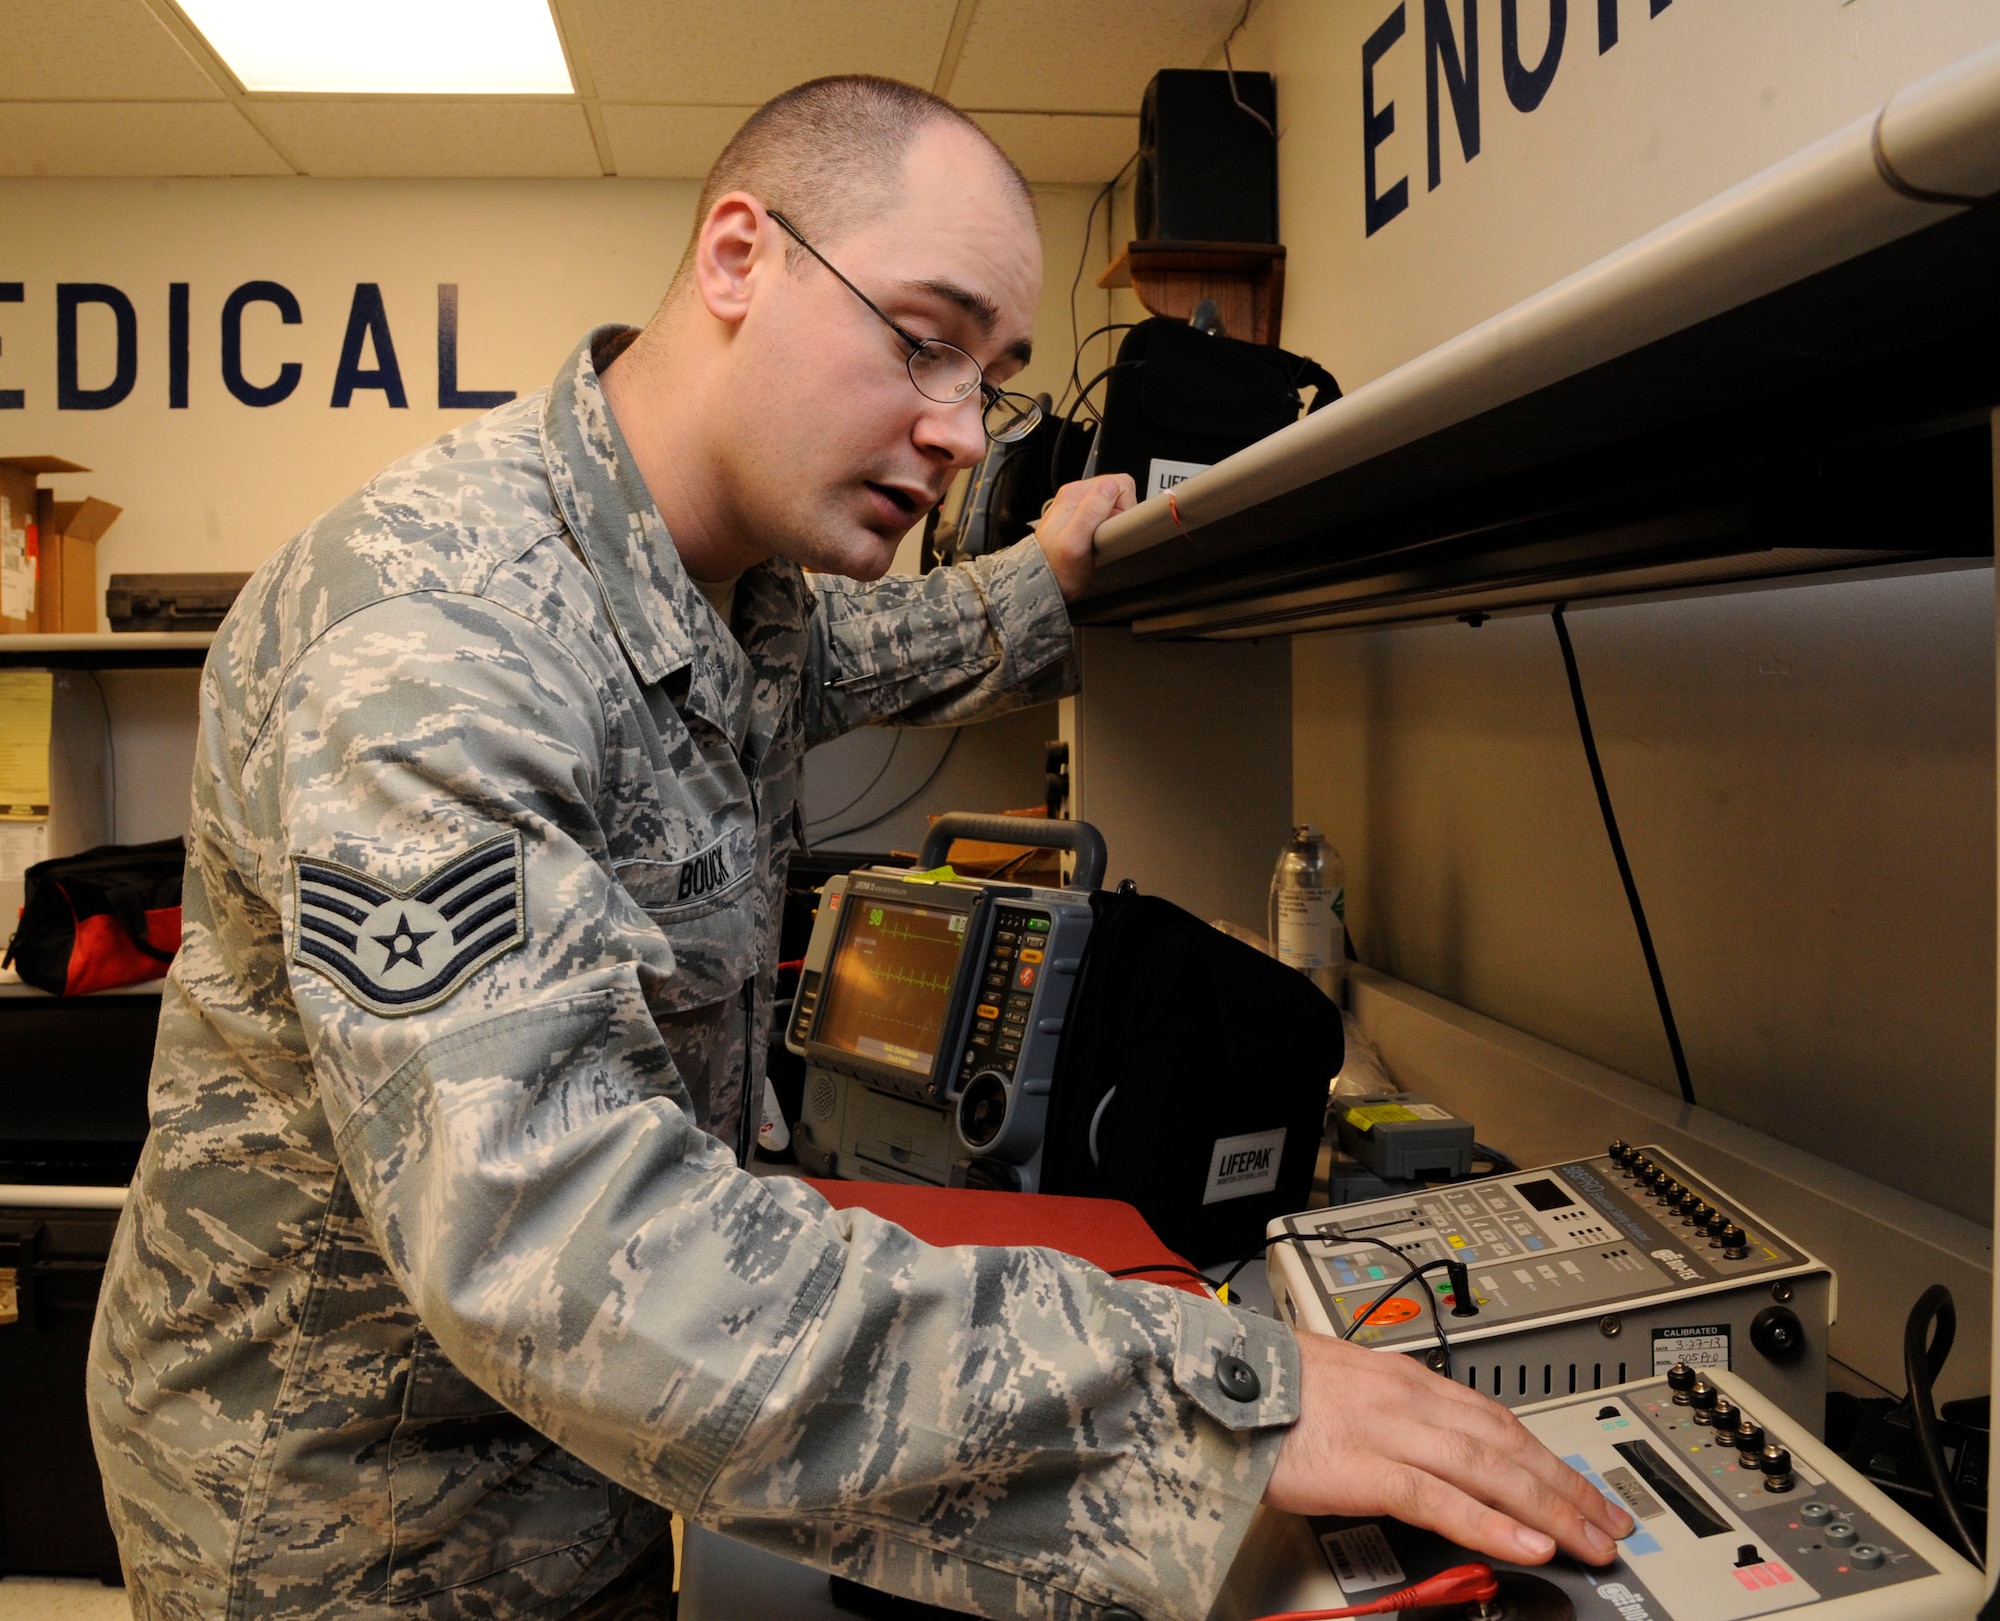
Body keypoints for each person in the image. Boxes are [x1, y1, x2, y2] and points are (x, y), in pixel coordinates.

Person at [87, 75, 1630, 1621]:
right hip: (352, 1536)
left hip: (575, 1475)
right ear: (740, 258)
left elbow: (856, 649)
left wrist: (1049, 574)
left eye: (994, 378)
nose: (959, 429)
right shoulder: (441, 644)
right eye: (922, 338)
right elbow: (564, 1247)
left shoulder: (718, 582)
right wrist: (1214, 1391)